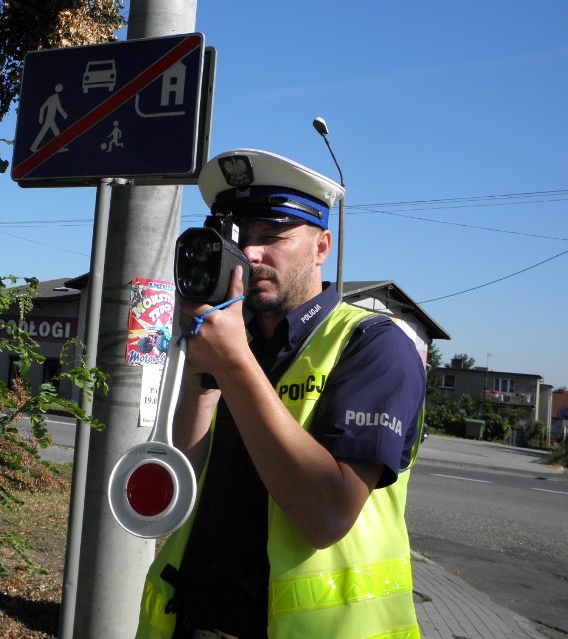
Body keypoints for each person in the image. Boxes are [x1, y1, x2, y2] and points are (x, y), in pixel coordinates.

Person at [136, 149, 426, 639]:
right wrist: (200, 369)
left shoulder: (374, 345)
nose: (252, 254)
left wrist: (233, 363)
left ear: (321, 247)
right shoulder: (235, 338)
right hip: (192, 618)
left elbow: (328, 514)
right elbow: (184, 474)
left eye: (272, 236)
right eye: (241, 239)